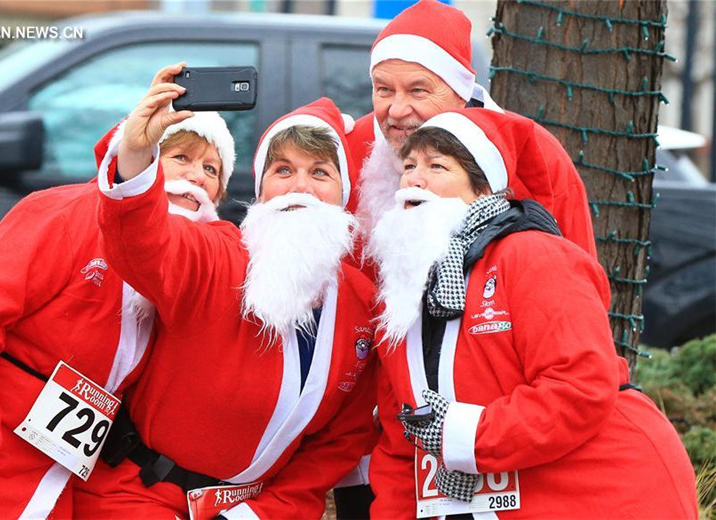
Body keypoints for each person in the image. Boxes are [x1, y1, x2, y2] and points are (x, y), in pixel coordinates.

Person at [0, 69, 236, 518]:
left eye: (212, 169)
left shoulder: (186, 274)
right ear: (143, 153)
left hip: (46, 478)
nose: (198, 177)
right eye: (181, 157)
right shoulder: (65, 213)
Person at [75, 62, 378, 519]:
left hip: (253, 510)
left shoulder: (360, 303)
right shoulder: (217, 251)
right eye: (282, 170)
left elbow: (341, 441)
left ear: (343, 193)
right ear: (260, 189)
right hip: (139, 497)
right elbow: (144, 246)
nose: (300, 187)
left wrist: (267, 511)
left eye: (320, 173)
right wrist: (137, 156)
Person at [367, 108, 698, 519]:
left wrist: (464, 434)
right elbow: (403, 440)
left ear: (483, 189)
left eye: (437, 166)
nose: (415, 178)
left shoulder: (536, 256)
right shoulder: (399, 294)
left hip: (604, 489)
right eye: (410, 166)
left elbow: (579, 387)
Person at [347, 0, 596, 258]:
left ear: (461, 92)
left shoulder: (533, 153)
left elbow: (575, 275)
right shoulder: (352, 147)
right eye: (384, 89)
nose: (397, 110)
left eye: (417, 90)